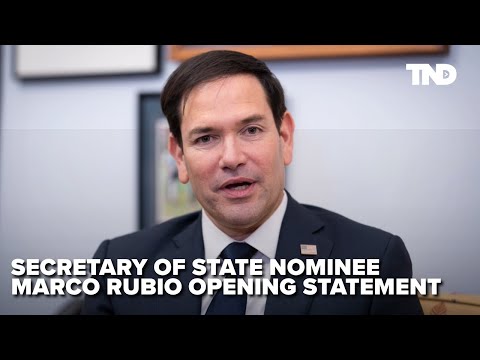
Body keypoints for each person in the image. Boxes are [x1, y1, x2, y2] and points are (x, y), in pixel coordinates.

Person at [81, 50, 423, 315]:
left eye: (251, 130)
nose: (232, 157)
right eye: (206, 138)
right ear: (179, 156)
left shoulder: (375, 262)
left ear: (285, 137)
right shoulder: (119, 266)